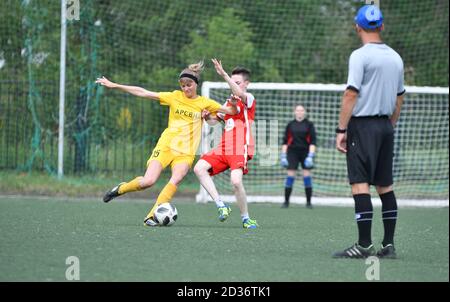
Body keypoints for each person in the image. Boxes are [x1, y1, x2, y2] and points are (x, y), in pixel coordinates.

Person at [95, 62, 238, 226]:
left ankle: (151, 217)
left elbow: (231, 112)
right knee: (148, 181)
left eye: (189, 85)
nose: (186, 89)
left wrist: (231, 104)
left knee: (175, 180)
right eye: (183, 85)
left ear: (196, 84)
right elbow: (143, 93)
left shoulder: (205, 103)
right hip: (166, 145)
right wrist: (114, 85)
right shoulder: (174, 96)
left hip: (186, 152)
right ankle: (121, 189)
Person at [333, 4, 405, 259]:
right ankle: (389, 245)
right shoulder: (396, 57)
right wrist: (388, 126)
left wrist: (342, 129)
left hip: (362, 127)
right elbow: (399, 98)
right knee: (385, 186)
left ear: (357, 27)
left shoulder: (360, 56)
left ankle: (364, 245)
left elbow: (351, 94)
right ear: (382, 26)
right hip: (385, 126)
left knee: (360, 184)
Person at [193, 59, 258, 229]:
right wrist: (207, 116)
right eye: (232, 81)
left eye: (237, 82)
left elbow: (240, 94)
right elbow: (214, 122)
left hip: (239, 147)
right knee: (199, 168)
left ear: (246, 84)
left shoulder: (248, 98)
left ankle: (246, 218)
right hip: (224, 148)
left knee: (236, 182)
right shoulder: (228, 103)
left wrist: (223, 75)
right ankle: (221, 205)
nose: (233, 85)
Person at [280, 105, 316, 209]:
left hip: (305, 152)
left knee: (307, 177)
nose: (299, 112)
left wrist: (310, 156)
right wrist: (283, 156)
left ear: (304, 112)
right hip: (292, 152)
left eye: (301, 110)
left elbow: (313, 142)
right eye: (298, 110)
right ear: (295, 112)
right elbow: (285, 142)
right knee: (290, 176)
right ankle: (286, 202)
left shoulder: (309, 125)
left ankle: (308, 203)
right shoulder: (290, 125)